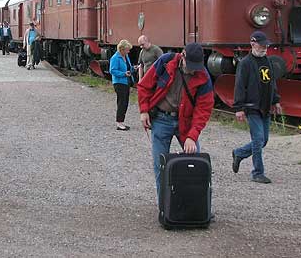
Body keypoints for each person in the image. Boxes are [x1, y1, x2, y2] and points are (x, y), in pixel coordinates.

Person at [137, 42, 214, 200]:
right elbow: (145, 85)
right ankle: (165, 208)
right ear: (183, 55)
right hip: (161, 119)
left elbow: (204, 109)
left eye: (196, 66)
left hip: (185, 123)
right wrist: (144, 110)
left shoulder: (203, 75)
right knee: (160, 166)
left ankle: (198, 207)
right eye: (190, 65)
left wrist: (192, 136)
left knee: (196, 164)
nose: (193, 70)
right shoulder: (165, 62)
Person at [231, 31, 282, 184]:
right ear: (253, 44)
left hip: (265, 106)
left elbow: (272, 83)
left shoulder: (268, 61)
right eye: (262, 45)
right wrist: (239, 108)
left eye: (266, 45)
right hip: (252, 107)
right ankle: (257, 172)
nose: (265, 47)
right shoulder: (245, 63)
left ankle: (239, 153)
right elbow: (239, 86)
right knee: (258, 139)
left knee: (264, 140)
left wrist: (276, 101)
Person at [109, 39, 134, 131]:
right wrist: (123, 74)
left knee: (125, 102)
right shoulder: (115, 58)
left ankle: (121, 121)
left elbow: (128, 67)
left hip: (126, 82)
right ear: (121, 49)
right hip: (119, 83)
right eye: (127, 49)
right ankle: (119, 123)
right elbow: (112, 70)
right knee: (121, 102)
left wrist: (133, 68)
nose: (129, 51)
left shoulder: (126, 56)